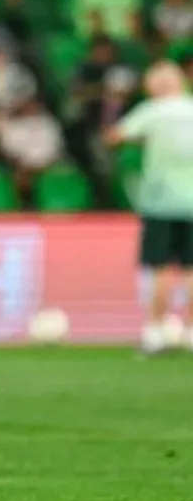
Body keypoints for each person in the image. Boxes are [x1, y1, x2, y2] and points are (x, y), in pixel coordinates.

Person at [104, 61, 193, 355]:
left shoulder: (152, 111)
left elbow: (115, 137)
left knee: (160, 268)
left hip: (161, 202)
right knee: (191, 270)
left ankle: (156, 331)